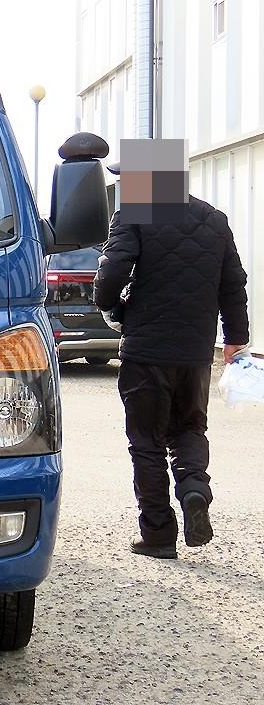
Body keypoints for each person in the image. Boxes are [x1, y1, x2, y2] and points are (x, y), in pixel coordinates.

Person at [94, 195, 249, 559]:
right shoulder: (214, 218)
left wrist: (108, 304)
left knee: (146, 442)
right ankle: (194, 488)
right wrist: (235, 338)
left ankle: (159, 535)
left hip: (146, 349)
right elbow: (233, 283)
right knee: (189, 429)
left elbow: (113, 269)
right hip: (195, 353)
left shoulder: (134, 213)